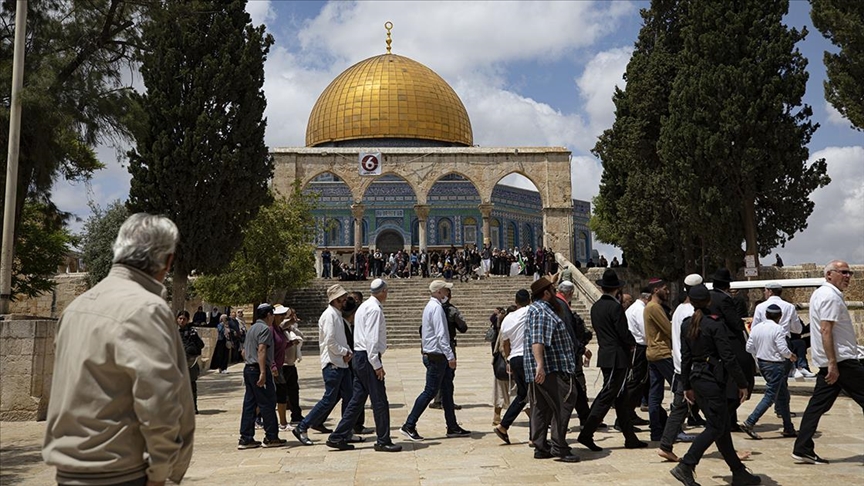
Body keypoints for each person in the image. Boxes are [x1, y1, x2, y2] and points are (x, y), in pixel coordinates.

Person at [43, 213, 195, 486]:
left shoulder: (75, 308)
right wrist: (163, 474)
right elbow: (160, 399)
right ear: (168, 261)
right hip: (120, 472)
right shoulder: (147, 308)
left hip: (67, 472)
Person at [670, 284, 761, 486]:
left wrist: (686, 385)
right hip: (711, 380)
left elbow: (685, 358)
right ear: (709, 301)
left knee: (719, 425)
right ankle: (686, 465)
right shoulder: (715, 324)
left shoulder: (687, 324)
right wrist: (742, 382)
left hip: (696, 379)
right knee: (716, 426)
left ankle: (738, 471)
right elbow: (728, 357)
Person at [792, 260, 864, 465]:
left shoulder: (820, 294)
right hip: (841, 361)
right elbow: (825, 330)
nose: (848, 276)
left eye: (849, 272)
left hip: (831, 361)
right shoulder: (830, 296)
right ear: (829, 275)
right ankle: (802, 447)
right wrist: (832, 363)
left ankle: (802, 447)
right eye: (843, 272)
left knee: (817, 405)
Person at [326, 279, 402, 452]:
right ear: (383, 291)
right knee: (379, 400)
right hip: (368, 357)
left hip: (360, 357)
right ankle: (383, 439)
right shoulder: (374, 310)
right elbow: (372, 339)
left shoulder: (364, 307)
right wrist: (376, 363)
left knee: (357, 400)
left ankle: (337, 436)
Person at [578, 269, 646, 452]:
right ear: (616, 289)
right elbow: (622, 332)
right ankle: (586, 433)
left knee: (621, 398)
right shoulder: (615, 307)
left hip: (606, 355)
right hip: (618, 358)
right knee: (607, 395)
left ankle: (630, 438)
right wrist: (632, 343)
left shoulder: (596, 307)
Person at [401, 280, 471, 441]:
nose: (448, 293)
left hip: (435, 355)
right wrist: (450, 356)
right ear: (439, 292)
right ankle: (409, 424)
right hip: (437, 356)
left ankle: (452, 426)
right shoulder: (437, 308)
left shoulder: (431, 306)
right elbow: (441, 335)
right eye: (446, 290)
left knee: (447, 390)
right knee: (430, 391)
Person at [523, 277, 580, 462]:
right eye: (553, 290)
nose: (556, 293)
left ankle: (540, 446)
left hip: (545, 368)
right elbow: (537, 340)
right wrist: (540, 365)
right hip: (551, 368)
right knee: (564, 403)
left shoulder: (541, 309)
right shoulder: (541, 311)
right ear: (546, 293)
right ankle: (559, 447)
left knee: (542, 406)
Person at [293, 285, 355, 446]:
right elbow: (330, 342)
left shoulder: (336, 315)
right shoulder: (329, 316)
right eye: (342, 298)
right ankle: (302, 426)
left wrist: (347, 351)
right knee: (329, 399)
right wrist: (345, 352)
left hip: (341, 363)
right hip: (333, 364)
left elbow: (340, 340)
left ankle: (345, 431)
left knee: (349, 397)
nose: (345, 301)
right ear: (336, 299)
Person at [657, 274, 702, 463]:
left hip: (680, 366)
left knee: (679, 409)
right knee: (717, 412)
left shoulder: (678, 311)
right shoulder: (691, 312)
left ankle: (666, 445)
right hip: (691, 368)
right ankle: (731, 457)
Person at [741, 304, 797, 440]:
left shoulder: (756, 328)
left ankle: (788, 427)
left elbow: (749, 347)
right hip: (776, 365)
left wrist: (760, 353)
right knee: (771, 395)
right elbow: (783, 349)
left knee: (782, 395)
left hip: (762, 364)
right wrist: (791, 356)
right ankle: (750, 422)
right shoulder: (778, 329)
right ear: (779, 317)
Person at [709, 268, 753, 432]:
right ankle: (726, 418)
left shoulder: (710, 297)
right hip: (731, 342)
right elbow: (734, 321)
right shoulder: (725, 299)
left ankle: (730, 421)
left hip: (716, 342)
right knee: (742, 376)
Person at [752, 282, 813, 379]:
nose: (764, 293)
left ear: (770, 291)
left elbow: (755, 327)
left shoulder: (760, 307)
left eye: (765, 290)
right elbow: (797, 329)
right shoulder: (789, 307)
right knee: (783, 376)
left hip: (766, 342)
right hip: (784, 340)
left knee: (771, 377)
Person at [494, 289, 531, 444]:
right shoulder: (530, 311)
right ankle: (534, 437)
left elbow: (505, 342)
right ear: (528, 301)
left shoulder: (508, 318)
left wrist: (509, 360)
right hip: (529, 358)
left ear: (516, 302)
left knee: (523, 395)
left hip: (514, 358)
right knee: (536, 396)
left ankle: (503, 426)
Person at [644, 279, 676, 442]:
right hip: (662, 353)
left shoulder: (649, 306)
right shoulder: (655, 307)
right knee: (679, 388)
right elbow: (668, 330)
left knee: (655, 393)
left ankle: (656, 430)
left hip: (653, 353)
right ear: (656, 290)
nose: (668, 291)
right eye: (665, 289)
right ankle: (674, 428)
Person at [177, 310, 205, 414]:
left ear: (188, 320)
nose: (182, 321)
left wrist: (194, 339)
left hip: (190, 363)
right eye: (180, 318)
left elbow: (201, 345)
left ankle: (193, 407)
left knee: (192, 386)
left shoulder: (192, 332)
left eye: (184, 319)